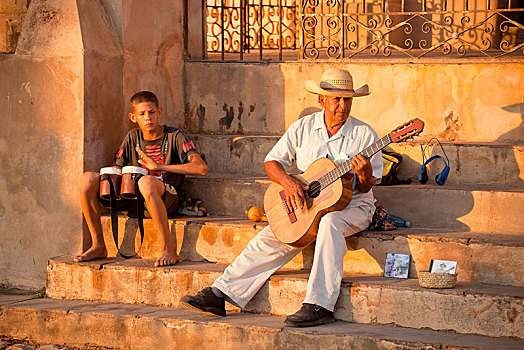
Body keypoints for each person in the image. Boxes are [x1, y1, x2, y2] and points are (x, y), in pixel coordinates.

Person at [180, 69, 383, 327]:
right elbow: (272, 162)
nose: (342, 106)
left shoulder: (365, 135)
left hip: (353, 205)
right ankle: (221, 293)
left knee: (330, 224)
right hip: (308, 203)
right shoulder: (303, 127)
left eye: (348, 100)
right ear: (322, 100)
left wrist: (364, 173)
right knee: (271, 235)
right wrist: (288, 182)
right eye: (336, 99)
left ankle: (319, 305)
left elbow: (366, 188)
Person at [74, 91, 208, 267]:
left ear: (159, 112)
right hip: (134, 201)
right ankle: (98, 245)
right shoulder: (132, 137)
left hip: (166, 200)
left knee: (147, 182)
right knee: (86, 179)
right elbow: (118, 166)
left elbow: (201, 168)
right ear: (133, 117)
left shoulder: (174, 136)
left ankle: (169, 249)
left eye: (151, 112)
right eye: (142, 114)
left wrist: (159, 167)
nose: (148, 118)